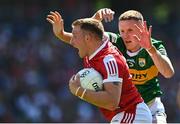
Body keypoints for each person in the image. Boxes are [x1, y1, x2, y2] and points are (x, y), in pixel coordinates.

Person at [46, 8, 175, 123]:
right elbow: (89, 38)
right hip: (125, 108)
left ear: (142, 29)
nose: (125, 35)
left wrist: (150, 49)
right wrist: (62, 34)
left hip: (149, 107)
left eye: (130, 30)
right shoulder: (117, 42)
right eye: (122, 30)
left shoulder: (154, 47)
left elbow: (168, 73)